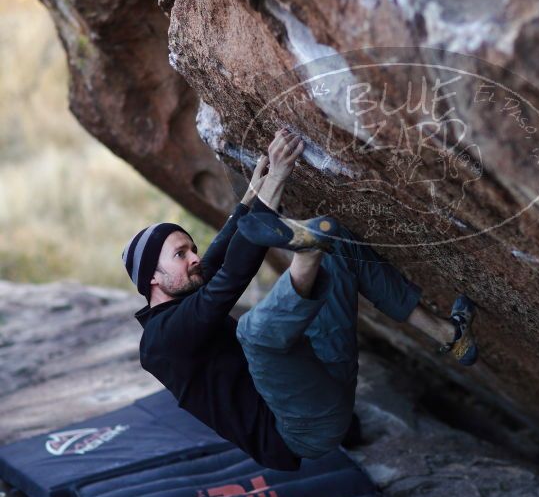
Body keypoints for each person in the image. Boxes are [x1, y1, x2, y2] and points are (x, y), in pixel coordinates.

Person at [122, 129, 478, 466]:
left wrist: (252, 195)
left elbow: (217, 256)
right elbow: (226, 283)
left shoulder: (185, 287)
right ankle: (307, 253)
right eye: (180, 254)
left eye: (191, 249)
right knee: (254, 333)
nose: (194, 257)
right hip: (299, 428)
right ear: (152, 277)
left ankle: (449, 334)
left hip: (322, 369)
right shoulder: (161, 342)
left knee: (334, 241)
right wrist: (277, 176)